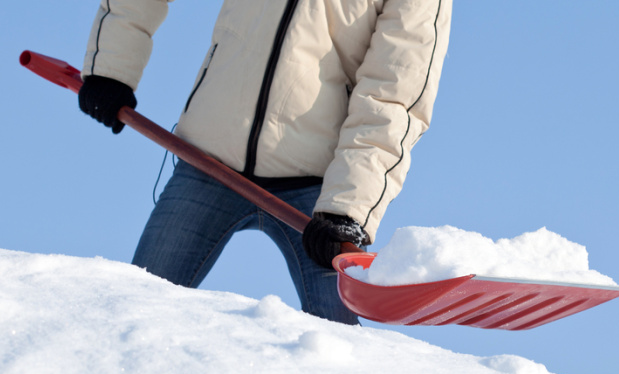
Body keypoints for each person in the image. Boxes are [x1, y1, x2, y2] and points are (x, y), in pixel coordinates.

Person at [78, 0, 452, 325]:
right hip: (210, 163)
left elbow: (394, 97)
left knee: (337, 350)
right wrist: (110, 66)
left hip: (320, 196)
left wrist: (348, 212)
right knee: (133, 312)